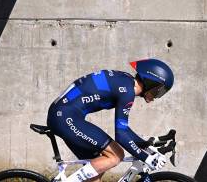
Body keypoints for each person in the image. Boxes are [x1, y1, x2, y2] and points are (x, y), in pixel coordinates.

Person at [46, 58, 174, 182]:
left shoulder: (125, 82)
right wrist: (146, 157)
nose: (157, 96)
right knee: (116, 155)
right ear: (151, 82)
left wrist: (145, 144)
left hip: (62, 115)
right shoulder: (126, 92)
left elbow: (124, 129)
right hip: (65, 117)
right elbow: (121, 135)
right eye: (159, 91)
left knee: (95, 173)